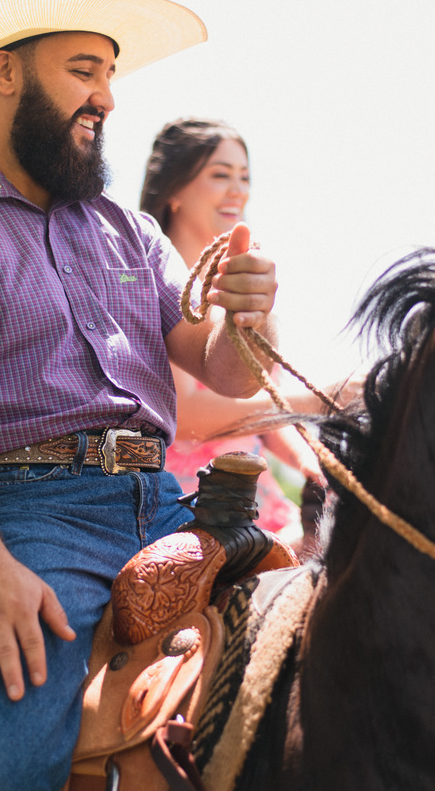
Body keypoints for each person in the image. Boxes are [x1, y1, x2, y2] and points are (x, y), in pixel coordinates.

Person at [0, 0, 278, 789]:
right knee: (4, 763)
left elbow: (224, 368)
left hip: (168, 503)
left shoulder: (132, 232)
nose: (106, 97)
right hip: (24, 517)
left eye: (109, 74)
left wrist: (251, 312)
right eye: (84, 71)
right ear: (5, 72)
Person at [140, 117, 328, 550]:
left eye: (244, 177)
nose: (238, 191)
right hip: (185, 506)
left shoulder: (238, 287)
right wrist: (318, 399)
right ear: (173, 190)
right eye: (221, 175)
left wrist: (309, 461)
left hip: (254, 500)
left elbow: (265, 410)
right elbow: (188, 416)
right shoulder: (153, 285)